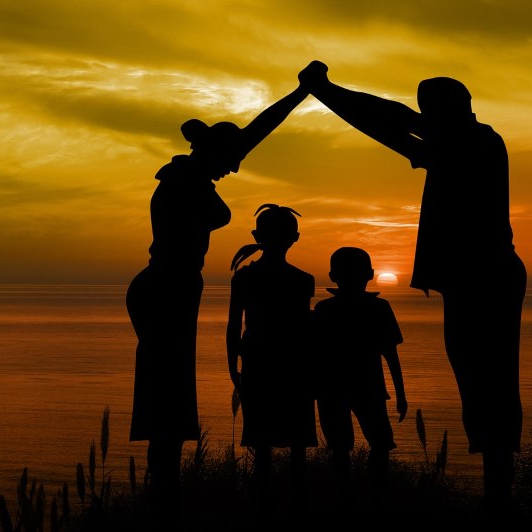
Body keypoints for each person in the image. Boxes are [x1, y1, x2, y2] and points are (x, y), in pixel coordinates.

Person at [299, 61, 527, 517]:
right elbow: (396, 117)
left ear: (452, 110)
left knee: (489, 385)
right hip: (477, 279)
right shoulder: (465, 138)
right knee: (479, 382)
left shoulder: (471, 142)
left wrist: (326, 92)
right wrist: (328, 92)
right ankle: (496, 489)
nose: (424, 117)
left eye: (431, 109)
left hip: (486, 279)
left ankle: (498, 497)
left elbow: (391, 125)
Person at [125, 83, 308, 525]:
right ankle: (163, 503)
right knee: (165, 400)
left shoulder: (188, 175)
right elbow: (227, 178)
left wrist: (300, 93)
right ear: (214, 153)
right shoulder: (187, 181)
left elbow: (252, 133)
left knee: (168, 396)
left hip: (172, 286)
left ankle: (164, 497)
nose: (235, 168)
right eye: (232, 161)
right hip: (167, 287)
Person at [226, 204, 317, 514]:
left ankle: (261, 508)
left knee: (262, 446)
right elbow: (306, 328)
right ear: (296, 237)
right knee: (296, 447)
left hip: (259, 363)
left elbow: (233, 326)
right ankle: (296, 507)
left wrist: (232, 367)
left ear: (256, 236)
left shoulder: (245, 278)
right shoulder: (303, 280)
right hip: (294, 365)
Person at [312, 246, 408, 508]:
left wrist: (400, 394)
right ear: (371, 274)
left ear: (332, 276)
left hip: (339, 389)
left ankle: (354, 498)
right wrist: (400, 394)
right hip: (360, 388)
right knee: (372, 446)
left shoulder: (326, 310)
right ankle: (370, 499)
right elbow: (391, 355)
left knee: (352, 448)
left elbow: (314, 355)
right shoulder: (376, 308)